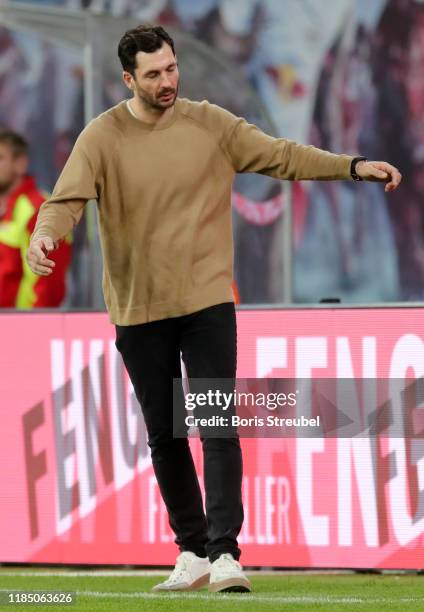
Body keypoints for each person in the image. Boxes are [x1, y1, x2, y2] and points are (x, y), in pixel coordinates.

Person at [26, 24, 402, 593]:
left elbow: (282, 156)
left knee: (215, 423)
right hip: (137, 310)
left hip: (206, 302)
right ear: (128, 79)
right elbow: (64, 201)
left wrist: (352, 165)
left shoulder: (211, 123)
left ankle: (226, 554)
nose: (168, 81)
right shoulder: (100, 137)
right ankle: (192, 551)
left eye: (171, 68)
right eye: (153, 74)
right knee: (164, 437)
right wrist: (44, 236)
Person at [0, 129, 71, 308]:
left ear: (21, 163)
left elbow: (48, 283)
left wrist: (35, 327)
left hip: (24, 327)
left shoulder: (40, 208)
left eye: (0, 158)